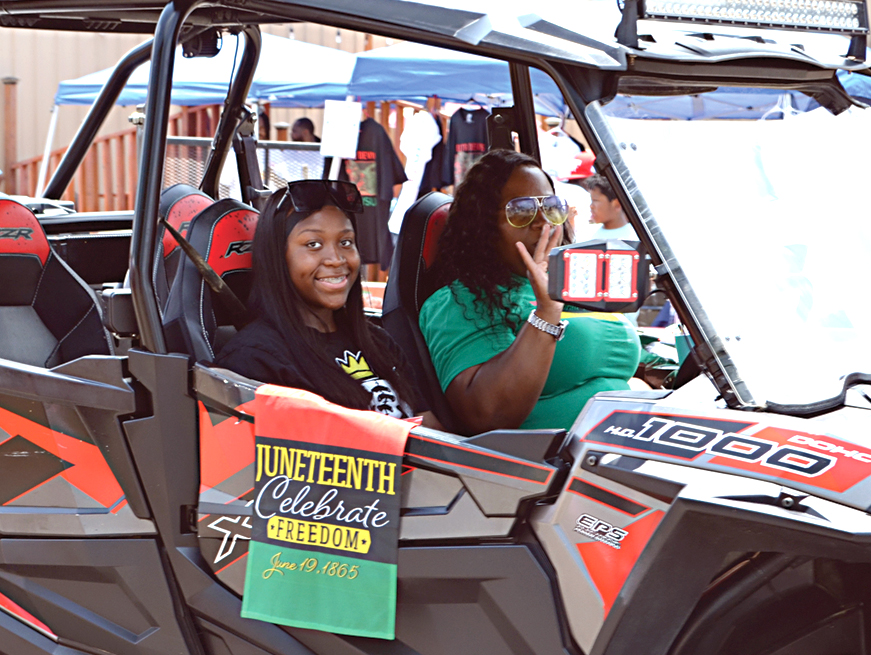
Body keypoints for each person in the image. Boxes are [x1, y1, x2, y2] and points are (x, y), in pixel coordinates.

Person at [418, 149, 643, 434]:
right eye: (522, 211)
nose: (542, 222)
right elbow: (489, 414)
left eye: (551, 207)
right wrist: (546, 312)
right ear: (483, 225)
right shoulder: (461, 301)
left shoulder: (567, 283)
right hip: (548, 458)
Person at [215, 180, 437, 425]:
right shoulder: (255, 359)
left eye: (346, 242)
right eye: (313, 244)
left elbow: (428, 426)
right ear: (278, 256)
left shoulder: (379, 342)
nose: (336, 259)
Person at [585, 174, 638, 241]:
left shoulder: (636, 237)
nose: (591, 206)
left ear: (616, 204)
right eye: (591, 200)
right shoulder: (587, 236)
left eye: (595, 200)